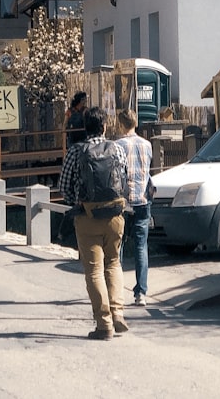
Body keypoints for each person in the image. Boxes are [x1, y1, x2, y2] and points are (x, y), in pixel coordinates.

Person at [59, 106, 130, 340]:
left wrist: (76, 203)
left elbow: (64, 187)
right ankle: (118, 311)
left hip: (87, 216)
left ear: (85, 128)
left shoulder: (76, 152)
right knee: (113, 263)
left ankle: (104, 324)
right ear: (105, 126)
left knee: (94, 271)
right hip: (115, 215)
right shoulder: (117, 149)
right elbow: (124, 179)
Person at [116, 108, 153, 306]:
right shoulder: (147, 145)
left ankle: (117, 289)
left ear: (121, 124)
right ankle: (141, 293)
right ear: (135, 123)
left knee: (118, 245)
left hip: (123, 201)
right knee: (141, 246)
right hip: (143, 199)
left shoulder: (117, 145)